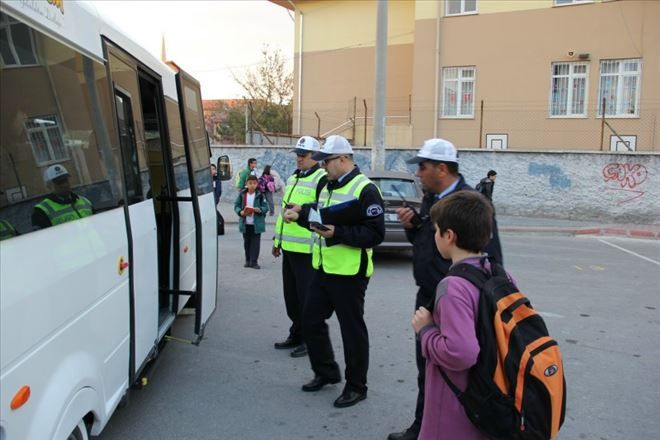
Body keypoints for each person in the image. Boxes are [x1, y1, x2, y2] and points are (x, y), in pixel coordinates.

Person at [388, 139, 502, 440]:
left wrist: (455, 296)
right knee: (427, 370)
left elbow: (490, 259)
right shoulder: (432, 198)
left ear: (442, 168)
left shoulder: (471, 205)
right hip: (429, 297)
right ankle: (423, 426)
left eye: (423, 167)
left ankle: (450, 428)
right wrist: (414, 227)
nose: (419, 174)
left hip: (454, 301)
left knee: (452, 373)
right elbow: (430, 246)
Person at [283, 135, 385, 408]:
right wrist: (301, 214)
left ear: (343, 159)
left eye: (326, 161)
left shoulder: (366, 189)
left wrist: (338, 233)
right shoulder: (327, 185)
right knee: (310, 320)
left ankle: (356, 386)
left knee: (352, 331)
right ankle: (326, 372)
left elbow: (375, 234)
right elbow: (322, 218)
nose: (323, 166)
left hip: (350, 273)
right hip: (324, 267)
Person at [411, 191, 498, 440]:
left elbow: (461, 353)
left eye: (436, 231)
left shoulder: (453, 287)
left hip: (456, 403)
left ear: (448, 236)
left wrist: (425, 331)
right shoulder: (497, 272)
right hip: (488, 390)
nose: (434, 236)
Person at [272, 136, 327, 358]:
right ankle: (296, 332)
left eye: (303, 155)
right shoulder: (294, 177)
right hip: (289, 249)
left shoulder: (321, 179)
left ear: (315, 157)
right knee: (292, 297)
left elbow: (323, 212)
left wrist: (302, 210)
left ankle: (308, 339)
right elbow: (283, 212)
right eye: (297, 154)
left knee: (307, 299)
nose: (299, 158)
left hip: (308, 251)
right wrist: (277, 241)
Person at [32, 164, 93, 230]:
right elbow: (42, 238)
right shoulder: (41, 211)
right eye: (59, 182)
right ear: (49, 186)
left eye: (65, 180)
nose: (65, 184)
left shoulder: (85, 201)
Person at [234, 174, 268, 269]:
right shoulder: (242, 194)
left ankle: (254, 262)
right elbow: (236, 205)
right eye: (250, 183)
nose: (252, 185)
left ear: (257, 184)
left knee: (255, 244)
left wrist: (260, 209)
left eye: (254, 183)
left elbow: (266, 207)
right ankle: (247, 260)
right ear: (246, 184)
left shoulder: (260, 195)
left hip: (256, 225)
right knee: (247, 243)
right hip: (245, 224)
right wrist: (240, 212)